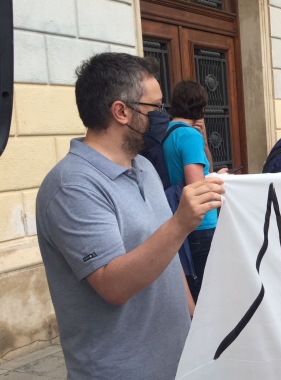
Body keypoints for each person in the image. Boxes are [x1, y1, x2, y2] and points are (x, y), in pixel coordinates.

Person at [35, 53, 225, 379]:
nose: (162, 117)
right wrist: (180, 224)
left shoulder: (144, 166)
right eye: (155, 108)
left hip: (175, 361)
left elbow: (167, 257)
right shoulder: (71, 186)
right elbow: (113, 285)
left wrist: (193, 319)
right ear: (122, 112)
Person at [162, 80, 228, 301]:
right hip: (203, 225)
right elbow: (197, 186)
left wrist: (205, 141)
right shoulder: (189, 136)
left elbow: (199, 167)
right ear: (201, 108)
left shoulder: (170, 131)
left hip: (182, 217)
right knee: (209, 294)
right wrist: (220, 179)